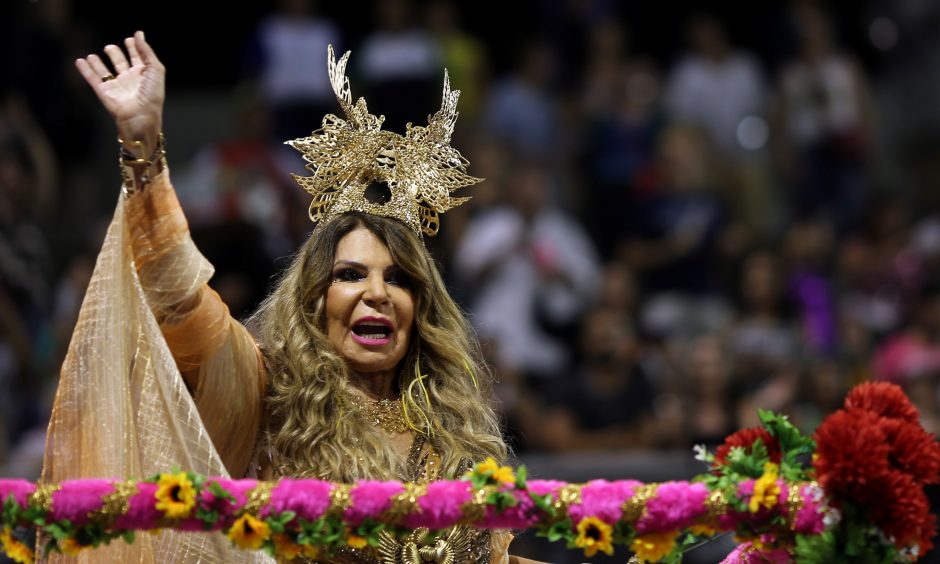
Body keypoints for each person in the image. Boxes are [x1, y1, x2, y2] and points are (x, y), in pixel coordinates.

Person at [48, 31, 544, 563]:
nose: (378, 293)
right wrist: (143, 145)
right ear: (313, 300)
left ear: (421, 307)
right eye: (351, 275)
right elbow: (179, 296)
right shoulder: (266, 392)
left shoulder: (454, 430)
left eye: (399, 279)